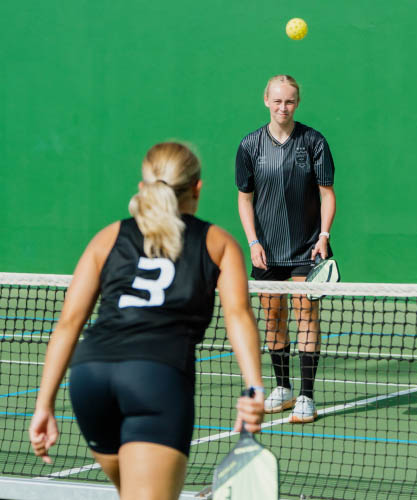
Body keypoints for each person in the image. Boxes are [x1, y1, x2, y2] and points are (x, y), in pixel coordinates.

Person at [28, 142, 267, 499]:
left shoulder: (108, 237)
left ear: (143, 187)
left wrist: (43, 404)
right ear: (197, 188)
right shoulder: (218, 242)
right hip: (155, 379)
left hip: (90, 379)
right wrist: (254, 389)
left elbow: (68, 324)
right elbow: (238, 316)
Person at [235, 75, 336, 424]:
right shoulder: (250, 146)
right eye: (277, 101)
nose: (283, 107)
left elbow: (327, 194)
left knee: (306, 314)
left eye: (289, 101)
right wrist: (252, 242)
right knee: (273, 315)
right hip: (266, 249)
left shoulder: (314, 142)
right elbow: (244, 199)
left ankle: (307, 395)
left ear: (297, 103)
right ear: (266, 100)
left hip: (308, 247)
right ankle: (284, 387)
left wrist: (324, 235)